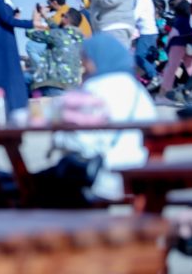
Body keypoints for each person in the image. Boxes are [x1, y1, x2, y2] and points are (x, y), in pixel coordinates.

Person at [49, 34, 157, 202]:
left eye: (85, 58)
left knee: (29, 186)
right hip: (139, 169)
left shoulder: (95, 89)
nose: (83, 64)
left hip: (103, 179)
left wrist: (58, 138)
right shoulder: (138, 90)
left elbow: (82, 142)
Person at [27, 7, 85, 96]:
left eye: (63, 16)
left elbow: (31, 33)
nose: (61, 17)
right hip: (73, 87)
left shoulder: (57, 34)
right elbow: (59, 31)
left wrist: (35, 18)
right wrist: (46, 17)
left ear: (66, 19)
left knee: (24, 79)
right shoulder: (80, 39)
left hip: (54, 85)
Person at [134, 0, 160, 91]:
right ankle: (153, 81)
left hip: (146, 33)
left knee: (139, 56)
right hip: (151, 32)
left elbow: (135, 16)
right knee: (149, 58)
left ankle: (154, 76)